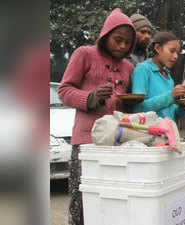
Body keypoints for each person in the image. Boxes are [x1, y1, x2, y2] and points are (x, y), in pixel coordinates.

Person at [57, 8, 136, 225]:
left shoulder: (129, 66)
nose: (122, 46)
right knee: (82, 199)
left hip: (116, 142)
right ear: (105, 35)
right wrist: (91, 98)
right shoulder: (85, 53)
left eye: (127, 43)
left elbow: (124, 102)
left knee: (111, 198)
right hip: (87, 142)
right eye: (118, 40)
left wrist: (128, 102)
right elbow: (64, 90)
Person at [131, 31, 185, 121]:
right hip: (149, 132)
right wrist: (171, 95)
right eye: (172, 51)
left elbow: (172, 115)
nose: (176, 56)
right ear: (158, 48)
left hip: (167, 132)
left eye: (177, 53)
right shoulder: (142, 70)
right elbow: (139, 109)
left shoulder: (168, 77)